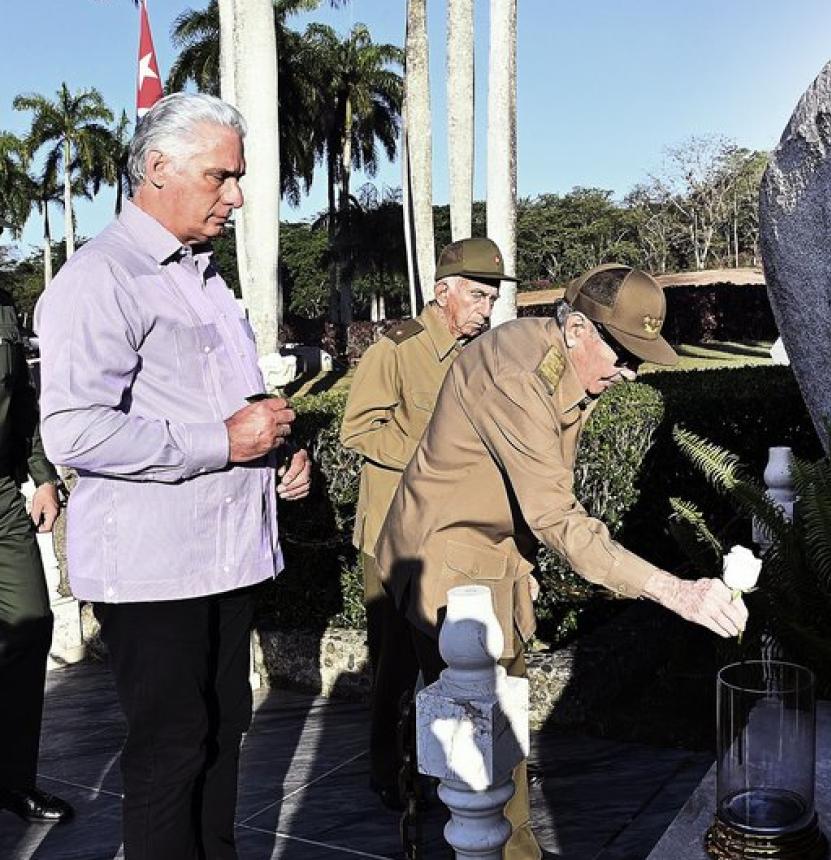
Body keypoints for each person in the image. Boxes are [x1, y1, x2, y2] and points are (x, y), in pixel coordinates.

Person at [375, 263, 749, 860]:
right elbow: (557, 518)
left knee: (503, 729)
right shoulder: (515, 375)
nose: (630, 372)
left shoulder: (563, 359)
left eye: (640, 359)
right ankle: (503, 851)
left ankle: (512, 845)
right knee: (483, 738)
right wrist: (675, 591)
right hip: (450, 566)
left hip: (493, 560)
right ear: (576, 329)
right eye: (623, 354)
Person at [34, 92, 312, 860]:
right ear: (157, 169)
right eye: (222, 176)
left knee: (225, 729)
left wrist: (274, 445)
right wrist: (223, 441)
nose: (238, 195)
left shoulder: (204, 277)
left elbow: (227, 406)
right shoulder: (100, 279)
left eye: (238, 177)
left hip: (228, 556)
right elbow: (74, 430)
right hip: (154, 570)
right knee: (170, 750)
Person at [340, 237, 508, 811]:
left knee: (447, 653)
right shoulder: (396, 349)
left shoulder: (478, 351)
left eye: (491, 297)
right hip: (391, 536)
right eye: (479, 296)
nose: (488, 309)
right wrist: (433, 448)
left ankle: (454, 764)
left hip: (452, 533)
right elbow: (357, 429)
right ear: (444, 292)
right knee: (394, 661)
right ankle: (386, 769)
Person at [0, 289, 72, 825]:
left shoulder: (3, 305)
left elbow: (24, 403)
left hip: (1, 496)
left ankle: (12, 782)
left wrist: (42, 477)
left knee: (31, 623)